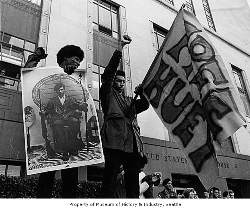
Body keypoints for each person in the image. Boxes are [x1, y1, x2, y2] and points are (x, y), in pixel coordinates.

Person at [99, 35, 150, 198]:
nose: (121, 83)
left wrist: (142, 93)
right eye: (118, 80)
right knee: (110, 178)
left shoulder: (129, 100)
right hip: (113, 142)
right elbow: (107, 75)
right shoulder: (108, 96)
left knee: (133, 183)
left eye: (123, 81)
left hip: (132, 145)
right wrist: (120, 49)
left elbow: (145, 105)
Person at [35, 44, 85, 198]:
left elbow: (79, 104)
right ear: (65, 58)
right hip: (55, 125)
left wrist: (82, 108)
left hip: (69, 125)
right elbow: (28, 74)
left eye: (79, 61)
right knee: (47, 178)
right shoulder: (47, 75)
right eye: (76, 59)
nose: (77, 63)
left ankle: (71, 148)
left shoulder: (77, 83)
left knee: (70, 181)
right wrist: (35, 58)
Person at [42, 82, 87, 160]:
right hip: (58, 119)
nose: (60, 91)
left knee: (75, 122)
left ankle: (73, 147)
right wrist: (44, 112)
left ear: (64, 90)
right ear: (56, 91)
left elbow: (77, 105)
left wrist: (83, 106)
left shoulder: (70, 99)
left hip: (69, 117)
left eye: (62, 89)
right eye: (58, 90)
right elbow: (47, 109)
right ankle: (64, 151)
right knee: (57, 127)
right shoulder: (53, 101)